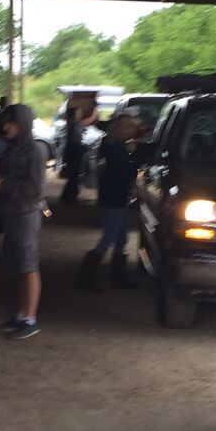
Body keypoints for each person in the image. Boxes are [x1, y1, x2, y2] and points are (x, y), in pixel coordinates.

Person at [0, 104, 45, 340]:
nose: (6, 126)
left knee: (27, 265)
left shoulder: (33, 151)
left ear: (22, 124)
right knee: (17, 266)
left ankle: (30, 318)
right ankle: (22, 314)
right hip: (12, 214)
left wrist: (3, 185)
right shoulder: (12, 149)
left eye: (10, 122)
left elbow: (35, 188)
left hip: (25, 214)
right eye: (5, 122)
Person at [78, 114, 139, 293]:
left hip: (112, 196)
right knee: (110, 238)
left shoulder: (109, 146)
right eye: (129, 127)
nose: (132, 131)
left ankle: (118, 277)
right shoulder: (117, 149)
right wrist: (133, 157)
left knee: (121, 238)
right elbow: (126, 173)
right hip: (114, 198)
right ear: (122, 130)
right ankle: (85, 277)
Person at [60, 107, 84, 205]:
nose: (80, 115)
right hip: (74, 155)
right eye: (78, 113)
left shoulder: (72, 126)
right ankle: (69, 197)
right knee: (73, 177)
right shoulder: (74, 126)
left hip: (72, 155)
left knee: (73, 177)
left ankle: (69, 196)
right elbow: (74, 142)